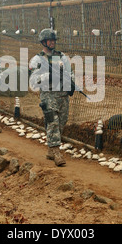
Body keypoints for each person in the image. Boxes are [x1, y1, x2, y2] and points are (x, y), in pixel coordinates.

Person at [29, 28, 73, 167]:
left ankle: (50, 150)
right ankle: (56, 152)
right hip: (48, 95)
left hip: (62, 95)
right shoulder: (37, 59)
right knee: (52, 122)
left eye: (54, 40)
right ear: (43, 42)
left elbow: (69, 72)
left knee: (61, 122)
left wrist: (71, 84)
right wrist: (49, 76)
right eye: (50, 40)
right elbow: (33, 80)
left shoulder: (62, 57)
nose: (53, 42)